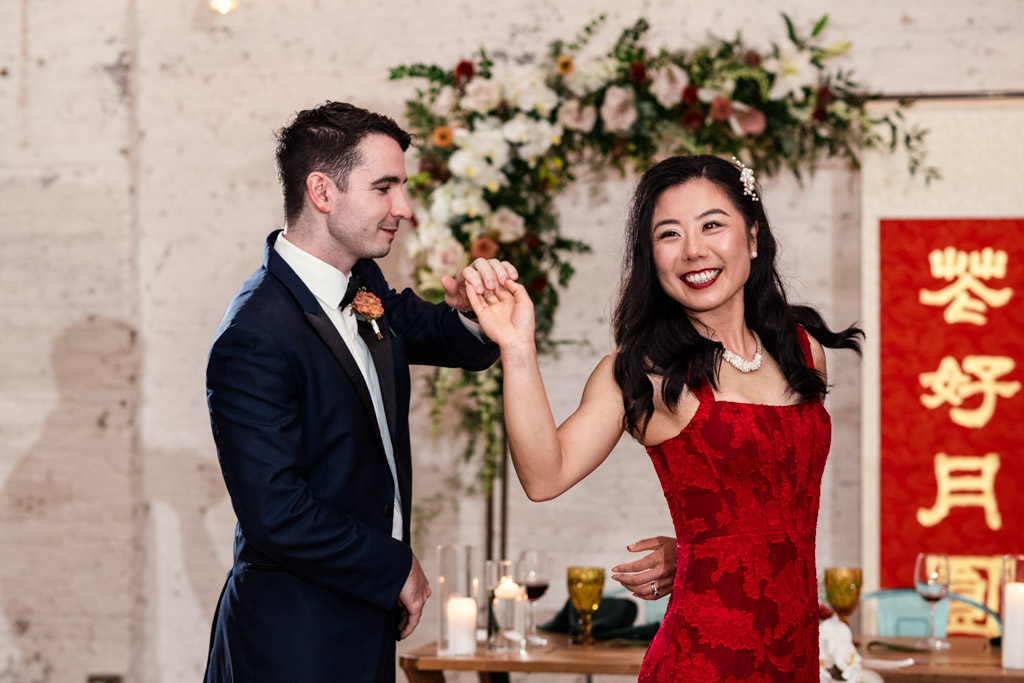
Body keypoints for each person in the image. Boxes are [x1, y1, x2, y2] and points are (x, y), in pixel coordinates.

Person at [462, 154, 863, 681]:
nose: (694, 250)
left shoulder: (802, 348)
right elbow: (544, 475)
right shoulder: (643, 372)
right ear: (652, 257)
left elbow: (765, 507)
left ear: (754, 236)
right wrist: (517, 347)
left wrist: (698, 552)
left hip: (795, 656)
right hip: (702, 661)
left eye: (713, 225)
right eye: (669, 234)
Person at [203, 101, 516, 683]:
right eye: (385, 188)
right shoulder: (254, 335)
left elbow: (437, 334)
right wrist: (395, 566)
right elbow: (276, 514)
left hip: (364, 621)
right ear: (322, 191)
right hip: (293, 639)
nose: (405, 208)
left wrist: (476, 313)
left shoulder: (362, 283)